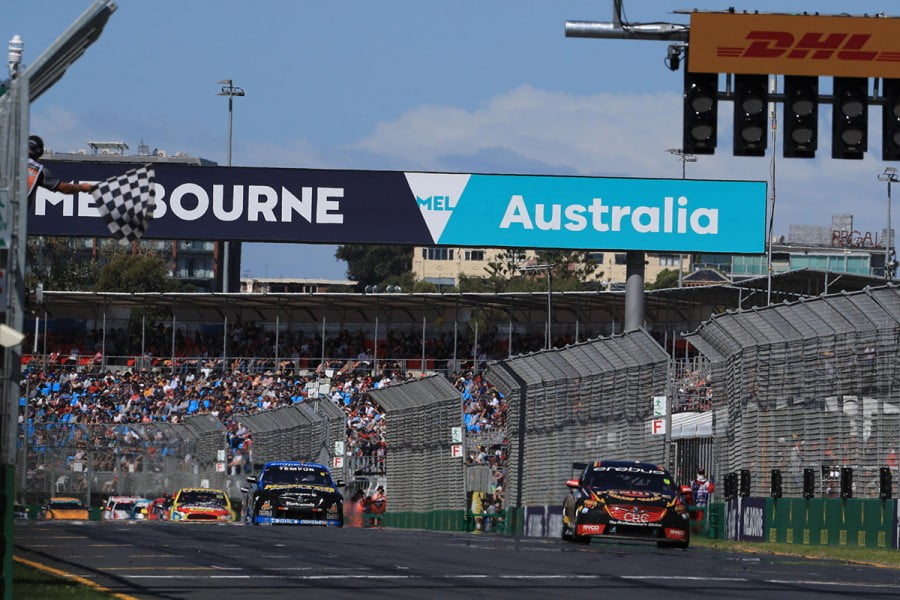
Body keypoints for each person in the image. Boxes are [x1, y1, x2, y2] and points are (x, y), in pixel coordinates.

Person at [27, 135, 94, 198]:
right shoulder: (39, 171)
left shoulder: (17, 163)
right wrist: (81, 187)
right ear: (40, 152)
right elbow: (65, 189)